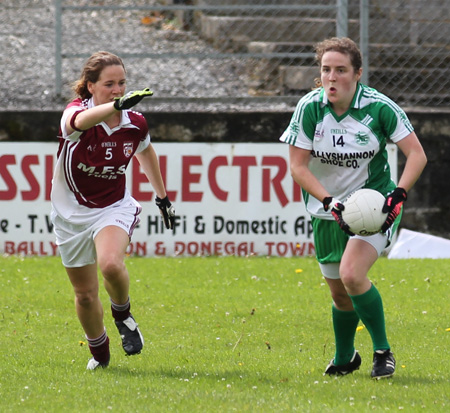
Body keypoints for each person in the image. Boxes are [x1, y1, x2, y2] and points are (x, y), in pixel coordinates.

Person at [280, 37, 427, 379]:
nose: (332, 77)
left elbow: (417, 154)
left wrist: (399, 195)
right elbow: (297, 167)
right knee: (340, 293)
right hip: (328, 212)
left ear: (358, 74)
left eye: (341, 70)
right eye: (326, 70)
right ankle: (346, 357)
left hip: (376, 206)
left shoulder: (379, 108)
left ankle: (382, 351)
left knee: (351, 275)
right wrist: (330, 202)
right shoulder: (309, 108)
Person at [51, 51, 176, 370]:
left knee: (109, 264)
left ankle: (123, 314)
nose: (118, 90)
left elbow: (146, 153)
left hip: (113, 206)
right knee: (85, 295)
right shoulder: (76, 113)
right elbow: (77, 123)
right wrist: (115, 106)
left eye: (122, 83)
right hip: (70, 214)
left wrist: (162, 197)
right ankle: (100, 352)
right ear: (90, 86)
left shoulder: (134, 123)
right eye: (109, 84)